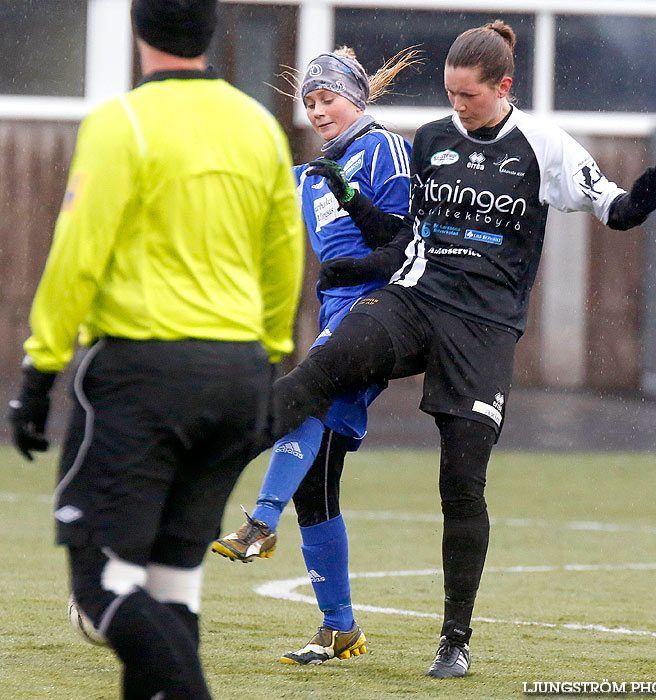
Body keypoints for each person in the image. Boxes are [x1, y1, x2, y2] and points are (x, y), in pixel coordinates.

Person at [260, 21, 656, 679]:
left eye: (468, 96)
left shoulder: (541, 145)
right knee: (324, 365)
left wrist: (637, 206)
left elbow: (612, 206)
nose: (457, 107)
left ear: (502, 86)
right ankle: (214, 452)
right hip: (416, 300)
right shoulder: (431, 140)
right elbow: (405, 238)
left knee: (461, 485)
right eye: (450, 94)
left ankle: (454, 641)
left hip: (484, 329)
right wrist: (355, 248)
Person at [7, 1, 303, 697]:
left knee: (101, 583)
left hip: (146, 374)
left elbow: (76, 254)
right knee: (173, 586)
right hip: (236, 374)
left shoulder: (123, 122)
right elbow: (284, 257)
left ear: (138, 30)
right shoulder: (259, 126)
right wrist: (266, 361)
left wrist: (39, 372)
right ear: (212, 33)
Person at [211, 46, 418, 665]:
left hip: (382, 312)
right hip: (337, 316)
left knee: (301, 393)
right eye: (310, 101)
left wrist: (351, 202)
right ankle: (340, 627)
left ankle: (258, 520)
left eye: (329, 98)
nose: (319, 110)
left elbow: (404, 238)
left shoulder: (383, 147)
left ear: (357, 97)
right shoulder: (309, 175)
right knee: (319, 479)